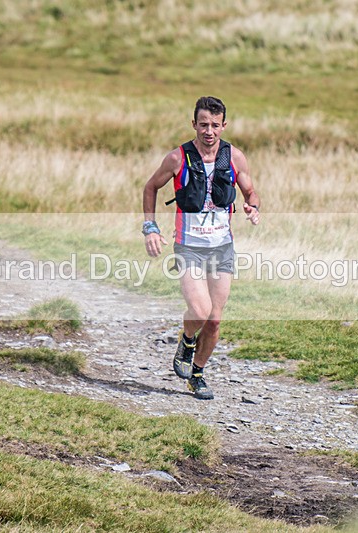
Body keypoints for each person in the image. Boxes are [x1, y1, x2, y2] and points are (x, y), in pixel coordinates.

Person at [142, 96, 260, 400]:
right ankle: (187, 338)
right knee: (200, 309)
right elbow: (150, 187)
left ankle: (197, 375)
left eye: (215, 125)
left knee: (215, 318)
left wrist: (252, 206)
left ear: (224, 125)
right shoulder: (177, 158)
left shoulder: (234, 156)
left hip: (222, 247)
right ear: (194, 124)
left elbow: (249, 190)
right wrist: (150, 227)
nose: (209, 131)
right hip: (189, 246)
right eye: (203, 125)